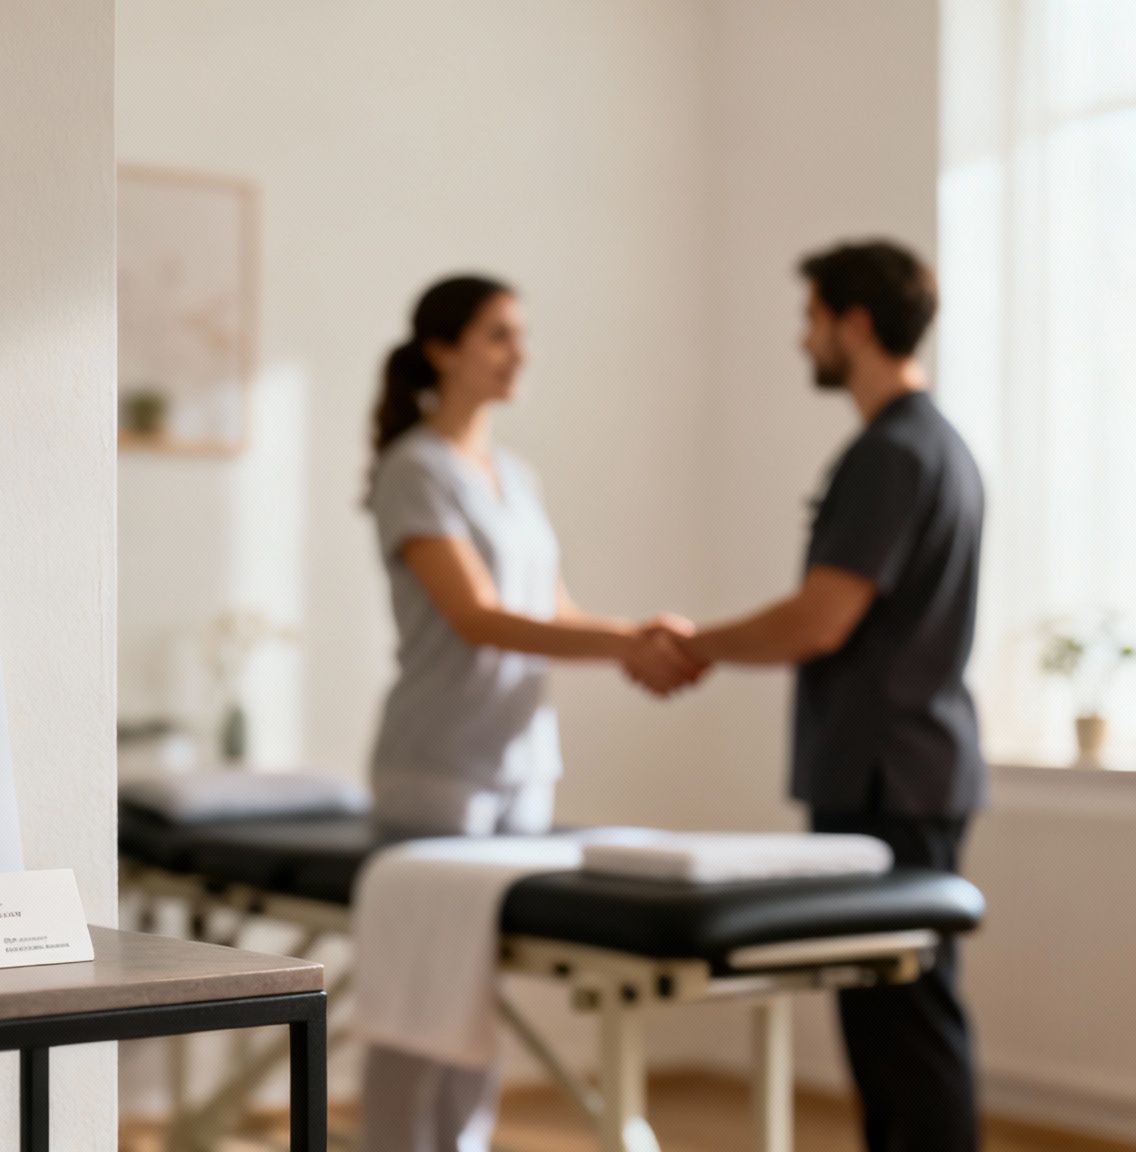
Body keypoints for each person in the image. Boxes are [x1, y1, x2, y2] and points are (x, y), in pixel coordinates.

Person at [360, 274, 702, 1152]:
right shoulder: (414, 468)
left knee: (474, 995)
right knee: (415, 992)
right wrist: (632, 642)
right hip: (437, 765)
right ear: (442, 350)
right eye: (498, 336)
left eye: (521, 334)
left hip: (522, 765)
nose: (521, 354)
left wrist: (637, 637)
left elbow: (553, 613)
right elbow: (475, 619)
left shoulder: (515, 475)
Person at [677, 240, 984, 1152]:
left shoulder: (891, 453)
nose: (800, 338)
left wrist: (695, 646)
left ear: (853, 324)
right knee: (895, 1020)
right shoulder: (935, 446)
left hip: (891, 777)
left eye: (810, 317)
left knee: (905, 1023)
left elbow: (819, 620)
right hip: (907, 770)